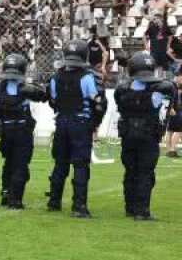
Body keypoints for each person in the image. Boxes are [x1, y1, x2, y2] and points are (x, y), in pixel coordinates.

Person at [47, 39, 105, 218]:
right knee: (80, 164)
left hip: (62, 122)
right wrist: (95, 123)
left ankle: (54, 201)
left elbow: (52, 101)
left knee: (60, 163)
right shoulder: (88, 77)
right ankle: (79, 205)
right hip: (80, 123)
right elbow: (99, 103)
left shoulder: (56, 77)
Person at [114, 52, 171, 220]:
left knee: (130, 171)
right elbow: (167, 107)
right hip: (148, 136)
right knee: (146, 173)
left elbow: (119, 105)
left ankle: (130, 207)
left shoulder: (122, 90)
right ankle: (142, 210)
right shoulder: (159, 91)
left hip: (128, 135)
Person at [0, 53, 48, 210]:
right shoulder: (27, 89)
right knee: (20, 164)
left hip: (5, 129)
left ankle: (6, 191)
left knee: (8, 162)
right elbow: (44, 96)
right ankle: (15, 199)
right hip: (21, 130)